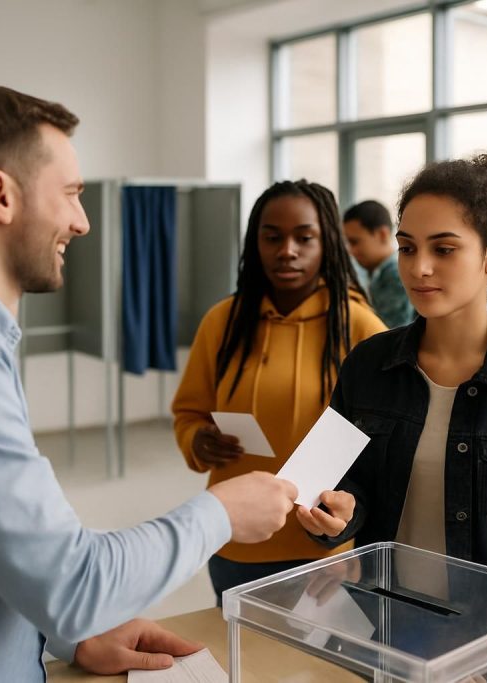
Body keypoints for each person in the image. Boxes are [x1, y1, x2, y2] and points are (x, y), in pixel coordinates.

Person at [0, 84, 299, 682]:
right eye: (69, 194)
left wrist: (71, 633)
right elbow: (74, 580)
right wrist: (221, 513)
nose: (83, 221)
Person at [298, 154, 487, 590]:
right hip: (384, 619)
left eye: (444, 249)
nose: (419, 268)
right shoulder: (366, 364)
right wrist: (334, 514)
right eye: (408, 247)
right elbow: (332, 484)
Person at [171, 180, 386, 601]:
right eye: (272, 238)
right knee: (241, 661)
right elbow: (188, 413)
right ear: (255, 243)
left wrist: (360, 530)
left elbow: (385, 452)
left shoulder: (361, 328)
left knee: (316, 668)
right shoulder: (223, 322)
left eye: (304, 238)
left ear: (328, 244)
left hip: (324, 551)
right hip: (236, 538)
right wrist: (197, 440)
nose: (287, 250)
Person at [343, 199, 415, 328]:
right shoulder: (377, 274)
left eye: (355, 242)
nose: (350, 251)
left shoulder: (395, 276)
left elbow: (389, 334)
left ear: (382, 234)